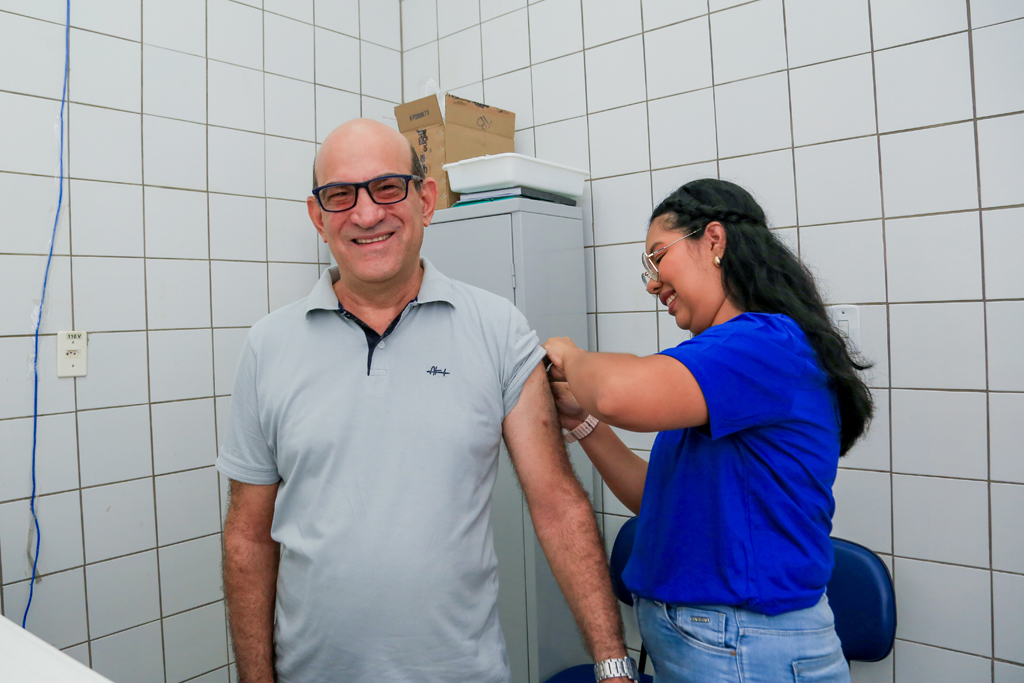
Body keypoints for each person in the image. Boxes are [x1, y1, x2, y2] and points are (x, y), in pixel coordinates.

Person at [216, 119, 633, 683]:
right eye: (340, 196)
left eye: (387, 187)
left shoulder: (497, 329)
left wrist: (612, 666)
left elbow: (558, 506)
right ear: (318, 217)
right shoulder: (268, 347)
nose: (366, 214)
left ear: (426, 199)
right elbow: (247, 534)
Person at [543, 179, 873, 683]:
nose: (652, 283)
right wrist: (584, 424)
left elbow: (616, 393)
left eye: (658, 258)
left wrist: (570, 355)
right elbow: (658, 498)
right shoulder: (718, 369)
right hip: (722, 644)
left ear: (713, 240)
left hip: (744, 647)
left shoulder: (765, 343)